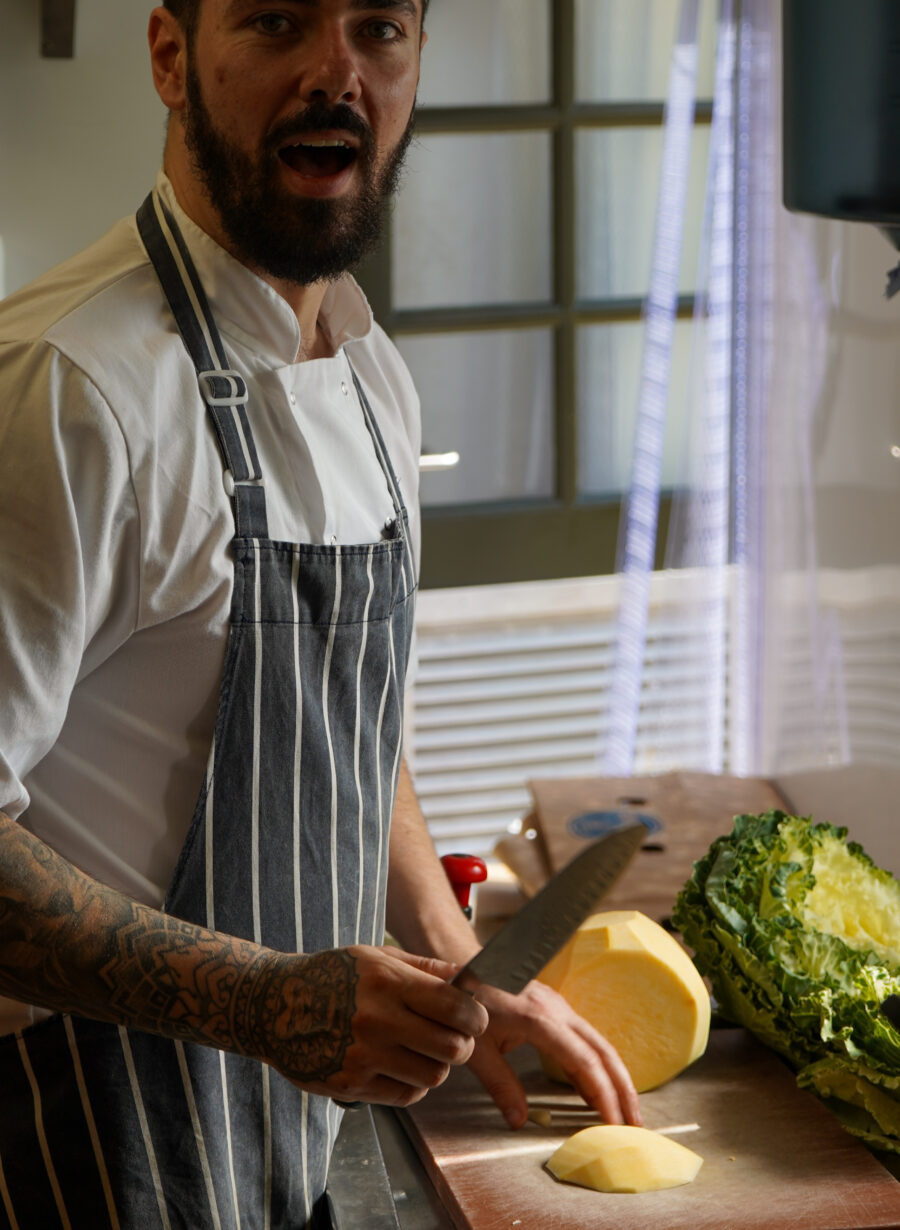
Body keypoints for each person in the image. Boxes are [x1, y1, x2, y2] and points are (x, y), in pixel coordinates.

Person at [0, 1, 641, 1226]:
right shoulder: (63, 394)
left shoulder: (367, 372)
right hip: (75, 1154)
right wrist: (265, 1004)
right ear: (172, 55)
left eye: (379, 29)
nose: (337, 71)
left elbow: (350, 723)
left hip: (290, 1158)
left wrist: (456, 955)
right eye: (281, 21)